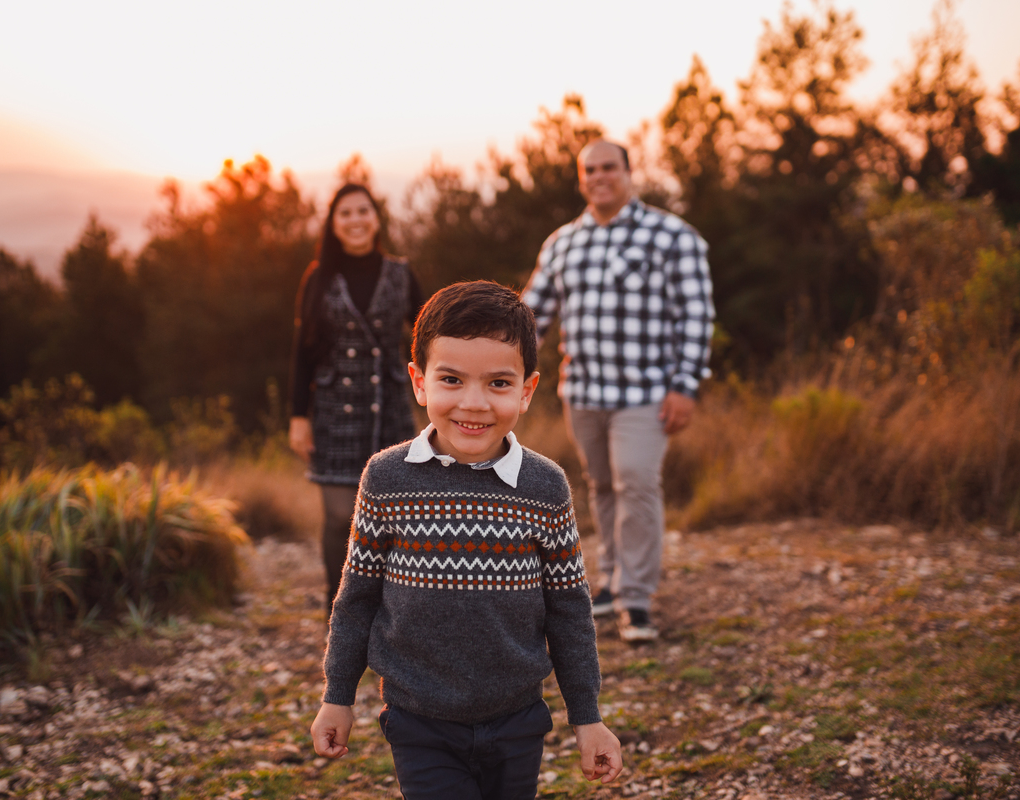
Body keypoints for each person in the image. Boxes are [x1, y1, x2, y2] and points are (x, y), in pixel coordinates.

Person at [310, 281, 623, 799]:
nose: (473, 404)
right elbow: (356, 599)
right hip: (419, 721)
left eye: (499, 383)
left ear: (527, 389)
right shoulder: (387, 479)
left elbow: (569, 610)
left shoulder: (545, 487)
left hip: (518, 719)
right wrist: (338, 694)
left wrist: (586, 716)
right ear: (419, 381)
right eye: (451, 379)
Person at [523, 140, 715, 643]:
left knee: (636, 482)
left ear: (629, 172)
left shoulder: (673, 236)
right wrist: (500, 364)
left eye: (609, 167)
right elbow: (532, 316)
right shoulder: (562, 242)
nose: (599, 176)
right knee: (602, 486)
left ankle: (637, 598)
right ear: (580, 178)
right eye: (589, 170)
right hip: (583, 391)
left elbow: (695, 316)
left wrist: (686, 385)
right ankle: (609, 581)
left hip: (646, 391)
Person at [289, 183, 426, 613]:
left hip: (388, 408)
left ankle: (391, 607)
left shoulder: (401, 274)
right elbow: (303, 350)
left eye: (363, 211)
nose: (355, 220)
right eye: (345, 213)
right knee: (336, 518)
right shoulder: (318, 277)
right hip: (333, 411)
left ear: (376, 217)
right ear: (334, 223)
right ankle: (341, 609)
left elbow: (430, 336)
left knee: (394, 516)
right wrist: (298, 416)